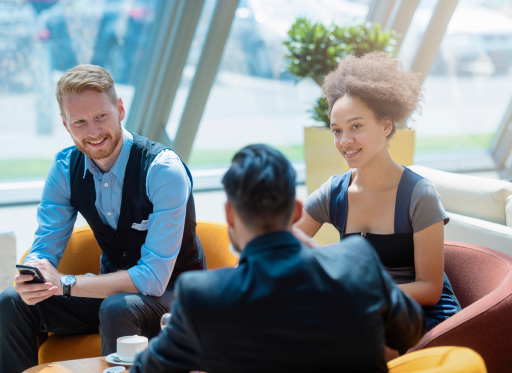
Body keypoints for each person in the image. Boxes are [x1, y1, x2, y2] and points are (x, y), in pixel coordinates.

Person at [130, 144, 426, 373]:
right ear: (298, 212)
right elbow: (409, 330)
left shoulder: (204, 296)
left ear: (230, 214)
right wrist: (317, 250)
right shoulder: (357, 261)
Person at [0, 65, 205, 373]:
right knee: (11, 301)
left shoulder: (163, 171)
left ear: (120, 109)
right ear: (65, 124)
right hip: (111, 295)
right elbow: (45, 247)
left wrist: (66, 283)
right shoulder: (64, 169)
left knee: (118, 308)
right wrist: (37, 276)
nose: (93, 132)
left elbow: (153, 278)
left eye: (101, 117)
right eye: (79, 122)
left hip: (174, 296)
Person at [294, 52, 461, 335]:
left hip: (422, 316)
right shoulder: (335, 192)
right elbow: (284, 240)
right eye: (337, 130)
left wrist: (360, 293)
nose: (345, 141)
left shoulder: (419, 195)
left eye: (356, 126)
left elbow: (430, 290)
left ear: (385, 125)